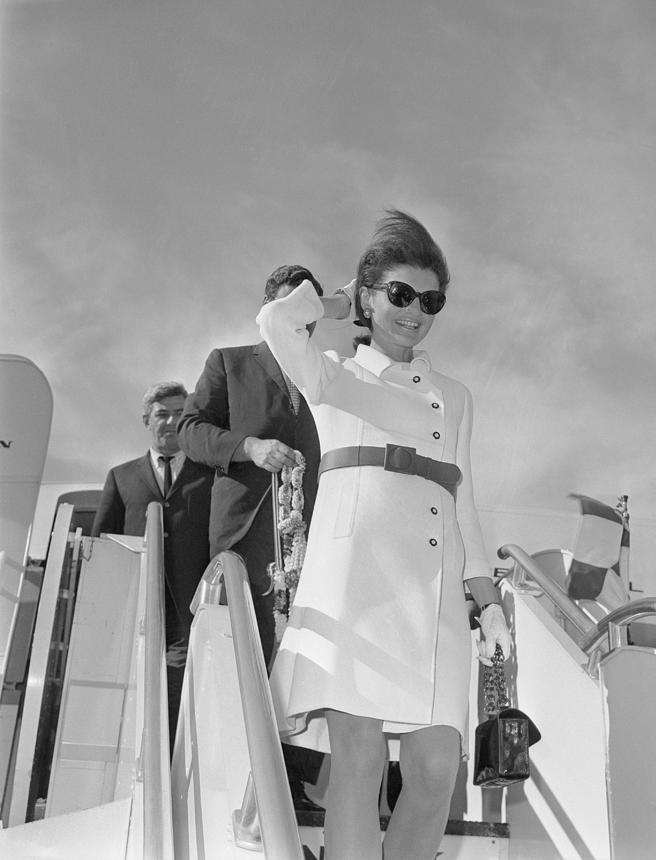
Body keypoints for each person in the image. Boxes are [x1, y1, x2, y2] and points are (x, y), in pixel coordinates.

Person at [257, 210, 512, 860]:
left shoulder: (454, 397)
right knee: (360, 760)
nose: (416, 311)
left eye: (430, 300)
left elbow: (465, 502)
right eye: (399, 294)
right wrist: (339, 300)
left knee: (434, 771)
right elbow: (275, 322)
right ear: (369, 296)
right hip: (356, 585)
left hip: (432, 597)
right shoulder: (334, 374)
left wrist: (485, 600)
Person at [176, 264, 325, 800]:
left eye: (309, 312)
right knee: (253, 656)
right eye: (289, 308)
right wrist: (249, 448)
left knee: (304, 661)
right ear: (267, 311)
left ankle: (294, 788)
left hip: (319, 543)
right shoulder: (229, 362)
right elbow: (190, 429)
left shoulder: (326, 375)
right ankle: (241, 782)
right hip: (248, 536)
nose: (299, 322)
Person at [92, 381, 214, 750]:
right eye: (163, 414)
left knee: (178, 693)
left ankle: (172, 770)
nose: (172, 421)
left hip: (188, 611)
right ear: (147, 419)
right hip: (135, 608)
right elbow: (102, 542)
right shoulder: (121, 476)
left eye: (181, 413)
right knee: (131, 695)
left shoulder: (210, 475)